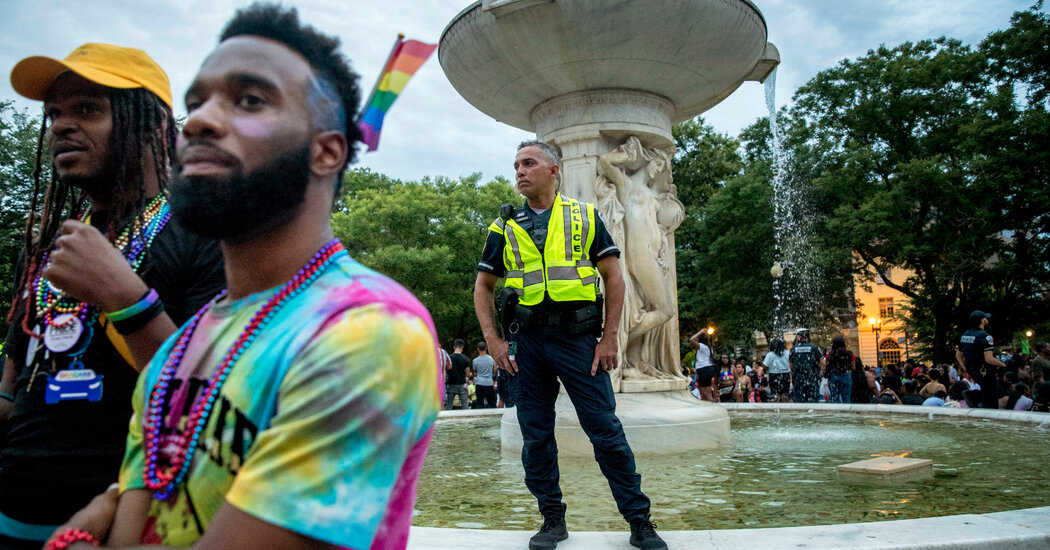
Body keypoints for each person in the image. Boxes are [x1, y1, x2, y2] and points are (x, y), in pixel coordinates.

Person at [43, 6, 441, 549]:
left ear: (326, 151)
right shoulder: (177, 349)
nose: (200, 121)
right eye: (195, 102)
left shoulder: (369, 330)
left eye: (250, 100)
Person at [0, 43, 225, 548]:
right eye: (55, 112)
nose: (60, 125)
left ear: (155, 127)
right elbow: (17, 376)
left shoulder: (208, 237)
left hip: (116, 528)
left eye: (87, 108)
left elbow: (211, 397)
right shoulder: (54, 243)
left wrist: (125, 299)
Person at [473, 140, 666, 550]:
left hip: (578, 341)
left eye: (528, 163)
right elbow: (484, 285)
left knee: (605, 431)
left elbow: (614, 277)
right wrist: (494, 341)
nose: (519, 172)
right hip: (527, 345)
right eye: (516, 165)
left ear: (554, 170)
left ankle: (639, 522)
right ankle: (552, 520)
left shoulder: (585, 216)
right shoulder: (503, 225)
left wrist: (610, 337)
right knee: (536, 436)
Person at [956, 310, 1007, 409]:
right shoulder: (984, 336)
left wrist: (966, 368)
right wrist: (1003, 364)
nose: (987, 320)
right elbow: (989, 359)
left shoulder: (965, 335)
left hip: (973, 371)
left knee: (987, 391)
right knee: (991, 398)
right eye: (985, 318)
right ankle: (975, 398)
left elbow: (958, 355)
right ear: (982, 321)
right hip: (986, 371)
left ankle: (974, 396)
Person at [789, 329, 824, 403]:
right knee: (813, 400)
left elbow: (790, 365)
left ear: (799, 337)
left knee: (800, 400)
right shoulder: (814, 347)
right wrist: (820, 372)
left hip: (799, 378)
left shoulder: (793, 349)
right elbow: (823, 362)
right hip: (812, 378)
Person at [689, 330, 717, 402]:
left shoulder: (703, 347)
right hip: (707, 370)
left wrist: (700, 332)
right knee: (703, 394)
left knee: (707, 394)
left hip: (704, 370)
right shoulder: (709, 348)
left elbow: (691, 339)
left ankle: (712, 409)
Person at [824, 335, 853, 404]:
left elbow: (828, 365)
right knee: (846, 398)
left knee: (834, 397)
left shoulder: (830, 354)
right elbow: (853, 367)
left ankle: (835, 413)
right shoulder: (849, 354)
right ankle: (847, 412)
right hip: (846, 375)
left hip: (834, 376)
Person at [445, 339, 471, 410]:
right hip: (462, 384)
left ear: (454, 347)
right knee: (464, 405)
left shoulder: (449, 358)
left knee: (449, 405)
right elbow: (468, 374)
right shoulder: (466, 359)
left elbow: (446, 370)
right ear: (462, 347)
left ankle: (448, 420)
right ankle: (465, 420)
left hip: (451, 384)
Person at [764, 337, 791, 402]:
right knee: (784, 394)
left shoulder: (770, 354)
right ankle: (785, 408)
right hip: (785, 374)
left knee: (776, 394)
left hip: (774, 375)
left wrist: (768, 369)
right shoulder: (787, 353)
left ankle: (777, 408)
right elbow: (791, 364)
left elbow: (765, 366)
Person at [473, 342, 497, 409]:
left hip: (479, 383)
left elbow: (475, 371)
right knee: (492, 403)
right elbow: (494, 370)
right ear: (486, 348)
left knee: (480, 403)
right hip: (488, 383)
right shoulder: (491, 359)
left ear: (478, 349)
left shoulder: (475, 361)